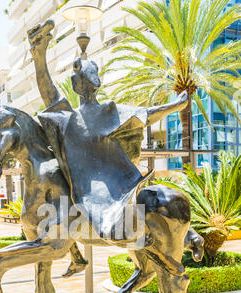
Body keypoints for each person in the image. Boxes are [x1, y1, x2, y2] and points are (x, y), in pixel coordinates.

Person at [28, 20, 189, 242]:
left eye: (81, 78)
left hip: (110, 191)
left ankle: (183, 234)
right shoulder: (68, 117)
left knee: (119, 222)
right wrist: (39, 56)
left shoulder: (108, 112)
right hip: (86, 194)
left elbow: (146, 114)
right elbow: (48, 91)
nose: (79, 83)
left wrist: (175, 106)